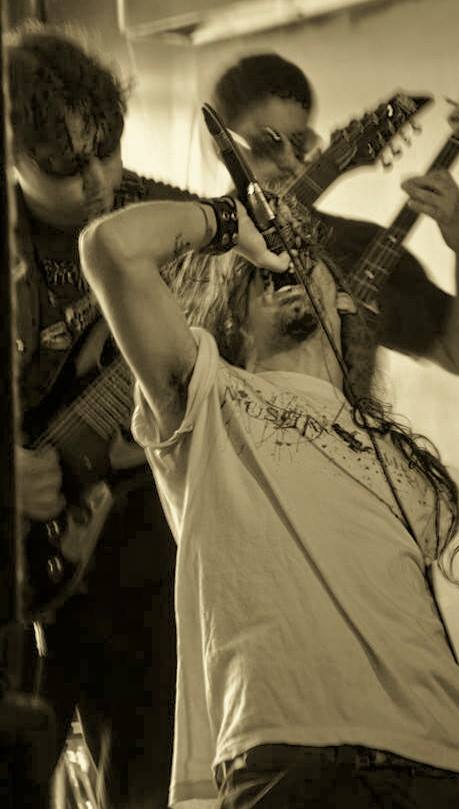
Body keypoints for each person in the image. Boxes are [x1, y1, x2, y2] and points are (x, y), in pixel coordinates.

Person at [79, 187, 459, 808]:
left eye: (301, 261)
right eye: (257, 277)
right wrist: (230, 225)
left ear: (342, 301)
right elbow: (111, 248)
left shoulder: (397, 458)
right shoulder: (209, 397)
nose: (280, 268)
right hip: (294, 762)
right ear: (232, 321)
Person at [6, 21, 199, 808]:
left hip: (133, 545)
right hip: (21, 572)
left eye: (107, 152)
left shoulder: (153, 212)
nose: (96, 181)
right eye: (65, 165)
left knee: (147, 771)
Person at [210, 53, 459, 378]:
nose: (290, 162)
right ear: (221, 145)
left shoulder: (354, 246)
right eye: (269, 143)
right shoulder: (185, 244)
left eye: (300, 144)